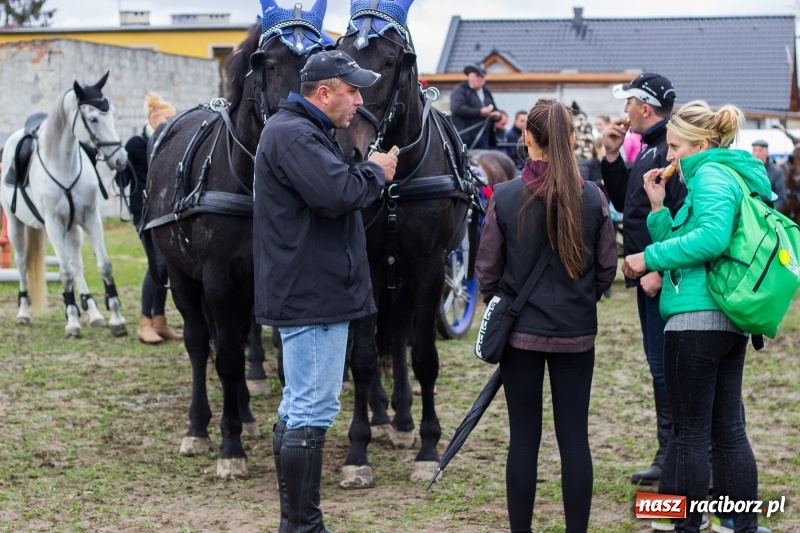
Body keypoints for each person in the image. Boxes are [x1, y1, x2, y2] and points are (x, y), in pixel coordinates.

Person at [252, 50, 397, 533]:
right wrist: (376, 171)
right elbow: (338, 194)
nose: (360, 101)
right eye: (352, 91)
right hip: (313, 296)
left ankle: (297, 524)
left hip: (310, 290)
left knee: (300, 407)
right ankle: (304, 527)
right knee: (311, 410)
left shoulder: (299, 131)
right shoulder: (295, 135)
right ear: (323, 92)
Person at [621, 100, 768, 533]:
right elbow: (687, 244)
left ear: (701, 145)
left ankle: (686, 524)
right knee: (726, 430)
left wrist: (646, 258)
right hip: (722, 320)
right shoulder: (721, 175)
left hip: (695, 323)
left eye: (675, 147)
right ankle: (740, 524)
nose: (669, 156)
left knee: (690, 434)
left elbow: (710, 240)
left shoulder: (710, 176)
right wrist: (658, 209)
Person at [475, 99, 617, 533]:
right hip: (576, 333)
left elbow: (487, 272)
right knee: (574, 439)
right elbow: (605, 269)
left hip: (520, 336)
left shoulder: (505, 196)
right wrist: (578, 299)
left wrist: (506, 306)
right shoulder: (592, 196)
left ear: (527, 138)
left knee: (523, 439)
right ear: (571, 139)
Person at [601, 72, 687, 486]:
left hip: (663, 279)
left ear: (646, 107)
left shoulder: (671, 150)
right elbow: (628, 203)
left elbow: (685, 218)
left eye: (629, 102)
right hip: (647, 276)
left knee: (668, 368)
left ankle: (678, 455)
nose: (625, 110)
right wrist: (612, 156)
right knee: (659, 367)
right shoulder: (650, 147)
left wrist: (658, 268)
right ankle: (667, 452)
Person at [117, 91, 181, 344]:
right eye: (167, 118)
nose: (171, 122)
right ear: (154, 119)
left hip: (165, 212)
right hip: (144, 213)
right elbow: (122, 181)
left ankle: (159, 320)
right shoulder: (136, 144)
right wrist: (121, 167)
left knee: (166, 265)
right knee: (158, 264)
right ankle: (145, 322)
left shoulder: (170, 142)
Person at [450, 62, 501, 150]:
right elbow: (457, 108)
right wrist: (479, 112)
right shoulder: (460, 90)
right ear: (469, 76)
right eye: (477, 76)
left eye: (482, 76)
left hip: (484, 135)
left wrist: (498, 115)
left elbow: (494, 108)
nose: (479, 79)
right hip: (465, 135)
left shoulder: (486, 92)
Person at [751, 139, 787, 212]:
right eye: (755, 150)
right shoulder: (749, 169)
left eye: (760, 151)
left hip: (768, 211)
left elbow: (781, 198)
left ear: (767, 152)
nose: (757, 154)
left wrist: (771, 210)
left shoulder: (776, 171)